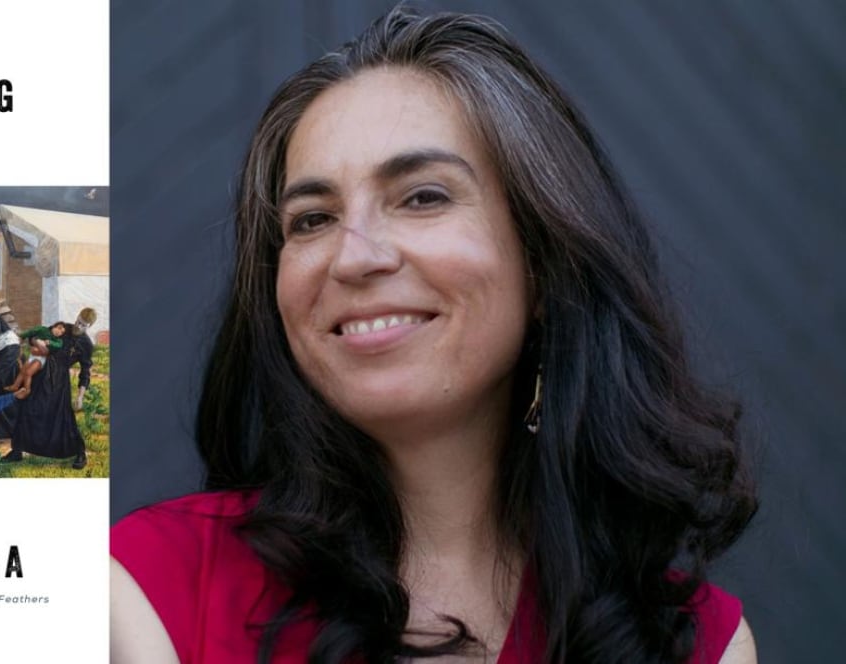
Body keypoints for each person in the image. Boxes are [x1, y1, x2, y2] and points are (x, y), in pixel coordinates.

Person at [110, 10, 757, 664]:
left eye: (421, 197)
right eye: (312, 219)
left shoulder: (698, 643)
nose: (353, 257)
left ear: (542, 259)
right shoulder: (144, 597)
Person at [5, 308, 94, 467]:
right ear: (77, 316)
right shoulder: (63, 327)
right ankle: (17, 450)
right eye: (79, 321)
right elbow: (39, 333)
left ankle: (79, 453)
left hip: (59, 380)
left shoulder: (86, 344)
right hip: (41, 369)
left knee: (63, 418)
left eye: (84, 325)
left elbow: (85, 371)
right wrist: (35, 342)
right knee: (27, 407)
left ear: (89, 326)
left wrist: (80, 396)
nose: (79, 326)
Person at [7, 322, 65, 397]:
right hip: (32, 355)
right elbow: (31, 331)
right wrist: (22, 336)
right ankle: (15, 386)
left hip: (41, 358)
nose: (59, 332)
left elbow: (58, 345)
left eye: (62, 332)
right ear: (54, 326)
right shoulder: (43, 329)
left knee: (28, 372)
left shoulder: (58, 341)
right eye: (59, 328)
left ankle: (27, 390)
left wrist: (49, 342)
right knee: (22, 371)